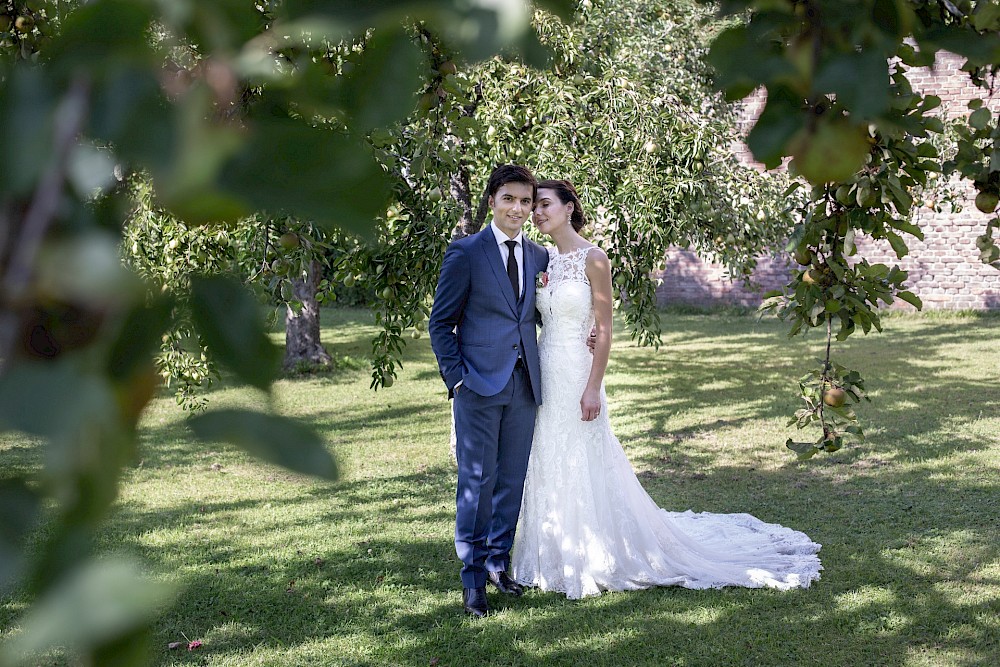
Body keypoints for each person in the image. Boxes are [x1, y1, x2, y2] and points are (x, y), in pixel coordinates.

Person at [511, 179, 823, 599]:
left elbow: (604, 329)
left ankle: (596, 554)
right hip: (545, 370)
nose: (537, 213)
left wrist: (593, 387)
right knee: (549, 454)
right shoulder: (542, 259)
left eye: (545, 204)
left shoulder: (594, 259)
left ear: (569, 208)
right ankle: (554, 549)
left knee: (583, 454)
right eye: (536, 207)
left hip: (578, 374)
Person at [429, 164, 550, 617]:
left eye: (525, 201)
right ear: (492, 201)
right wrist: (457, 379)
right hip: (477, 385)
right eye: (509, 200)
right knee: (476, 482)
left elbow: (545, 313)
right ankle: (473, 579)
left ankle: (499, 563)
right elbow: (440, 323)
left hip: (524, 385)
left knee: (512, 480)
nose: (518, 209)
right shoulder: (465, 252)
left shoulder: (539, 257)